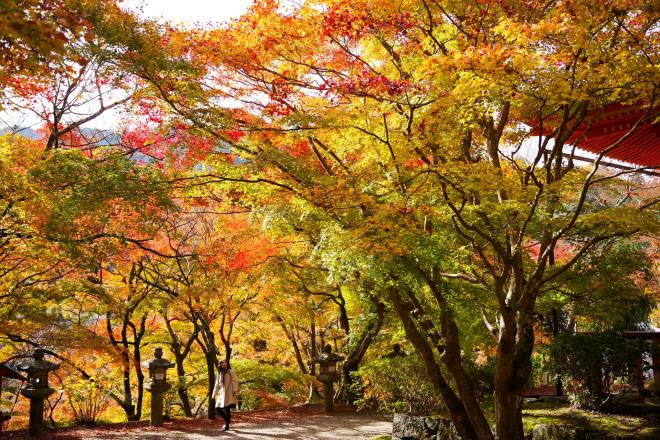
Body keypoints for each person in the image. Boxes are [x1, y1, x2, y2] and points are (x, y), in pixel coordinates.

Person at [213, 359, 239, 431]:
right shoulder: (219, 373)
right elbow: (217, 384)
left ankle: (226, 425)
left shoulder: (230, 371)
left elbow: (235, 381)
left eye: (225, 362)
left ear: (227, 363)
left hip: (229, 392)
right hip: (221, 393)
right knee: (217, 408)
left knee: (227, 409)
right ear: (220, 365)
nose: (224, 364)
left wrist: (234, 390)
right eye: (222, 363)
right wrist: (214, 394)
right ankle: (227, 420)